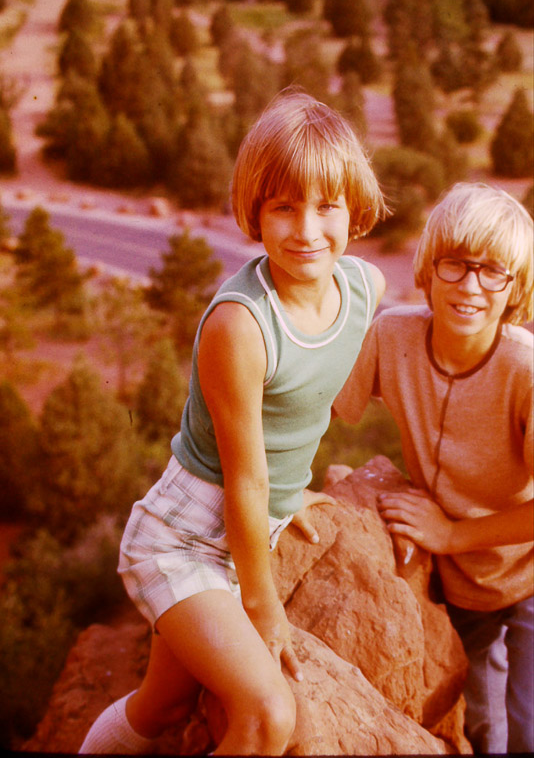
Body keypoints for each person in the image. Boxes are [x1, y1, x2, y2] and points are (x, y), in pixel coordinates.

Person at [78, 89, 387, 756]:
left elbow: (304, 406)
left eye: (327, 206)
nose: (307, 229)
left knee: (164, 706)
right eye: (284, 207)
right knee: (269, 715)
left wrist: (292, 491)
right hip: (184, 538)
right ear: (255, 212)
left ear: (354, 209)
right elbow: (244, 478)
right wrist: (262, 605)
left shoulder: (365, 288)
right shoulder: (240, 325)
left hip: (250, 526)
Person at [334, 182, 533, 754]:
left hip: (526, 571)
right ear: (428, 267)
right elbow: (323, 408)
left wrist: (449, 534)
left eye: (493, 272)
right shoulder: (392, 335)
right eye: (455, 264)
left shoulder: (525, 371)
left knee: (529, 727)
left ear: (515, 287)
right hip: (461, 584)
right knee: (484, 727)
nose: (470, 286)